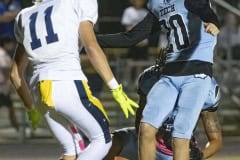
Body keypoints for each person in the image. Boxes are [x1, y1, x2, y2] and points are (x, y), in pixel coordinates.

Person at [10, 0, 138, 160]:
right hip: (66, 83)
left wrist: (31, 109)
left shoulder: (24, 15)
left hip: (39, 92)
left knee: (72, 150)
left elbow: (15, 74)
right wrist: (115, 88)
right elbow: (91, 47)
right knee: (103, 140)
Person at [96, 0, 220, 159]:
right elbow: (131, 37)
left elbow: (203, 8)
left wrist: (214, 21)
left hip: (196, 74)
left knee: (180, 136)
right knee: (146, 129)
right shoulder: (158, 4)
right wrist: (91, 40)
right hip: (170, 74)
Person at [104, 64, 222, 160]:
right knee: (110, 143)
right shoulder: (152, 79)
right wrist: (157, 133)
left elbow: (215, 140)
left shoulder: (206, 88)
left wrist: (200, 156)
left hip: (176, 147)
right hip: (148, 140)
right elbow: (140, 124)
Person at [0, 46, 19, 130]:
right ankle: (17, 127)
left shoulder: (3, 53)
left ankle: (17, 127)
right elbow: (5, 68)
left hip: (3, 87)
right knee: (11, 108)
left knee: (11, 108)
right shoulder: (1, 53)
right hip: (2, 87)